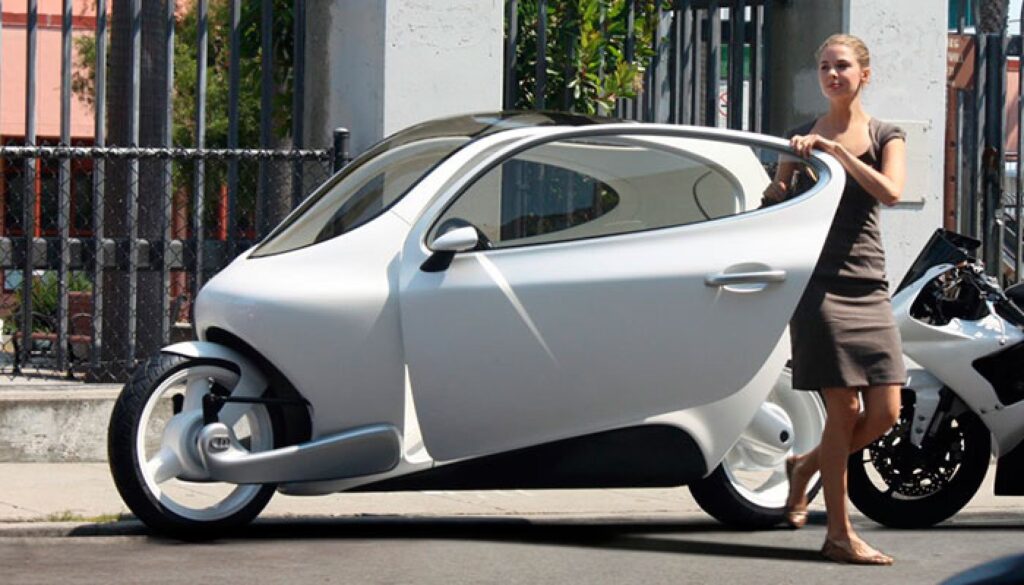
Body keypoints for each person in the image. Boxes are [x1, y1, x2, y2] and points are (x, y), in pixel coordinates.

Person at [763, 33, 906, 566]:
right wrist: (781, 182)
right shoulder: (801, 137)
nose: (832, 74)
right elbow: (776, 202)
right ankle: (839, 535)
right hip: (819, 286)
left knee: (885, 412)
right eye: (824, 66)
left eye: (842, 66)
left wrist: (839, 153)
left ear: (863, 74)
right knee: (843, 408)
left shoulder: (884, 134)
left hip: (868, 282)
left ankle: (805, 467)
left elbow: (891, 192)